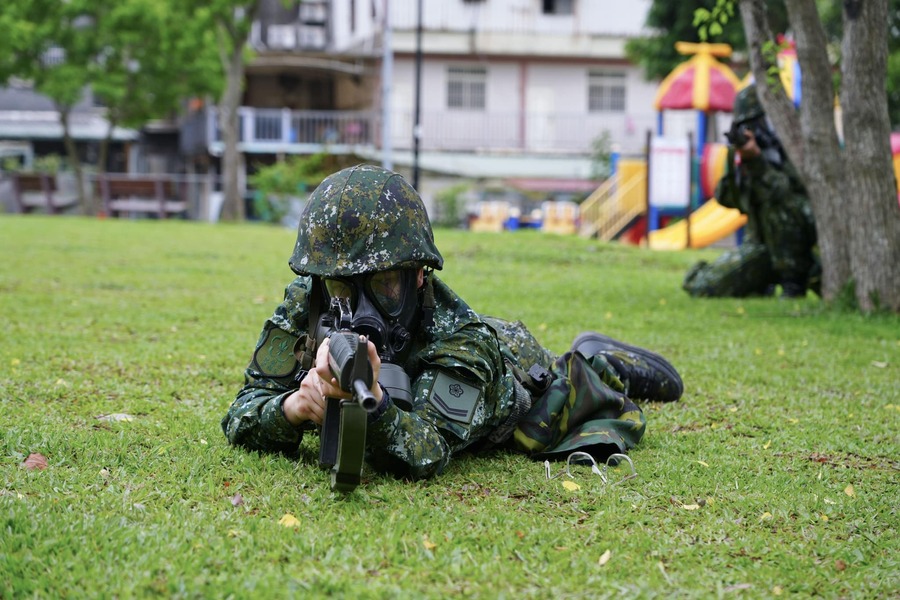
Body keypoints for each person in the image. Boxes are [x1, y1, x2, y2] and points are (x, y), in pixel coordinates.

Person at [221, 164, 683, 481]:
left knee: (569, 388)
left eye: (383, 282)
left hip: (517, 368)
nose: (359, 308)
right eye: (342, 285)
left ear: (419, 274)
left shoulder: (463, 341)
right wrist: (290, 409)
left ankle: (601, 359)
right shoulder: (310, 299)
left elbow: (427, 451)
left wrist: (376, 408)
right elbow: (241, 411)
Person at [683, 84, 820, 298]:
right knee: (704, 287)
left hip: (805, 246)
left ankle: (793, 282)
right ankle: (762, 284)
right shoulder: (745, 157)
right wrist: (741, 164)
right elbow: (728, 199)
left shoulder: (795, 150)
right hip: (762, 248)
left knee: (778, 209)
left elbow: (783, 195)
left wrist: (758, 162)